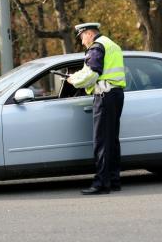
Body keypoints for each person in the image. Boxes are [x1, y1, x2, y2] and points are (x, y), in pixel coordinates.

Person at [67, 22, 126, 195]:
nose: (82, 42)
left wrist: (73, 81)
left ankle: (101, 183)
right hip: (116, 95)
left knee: (101, 141)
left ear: (89, 34)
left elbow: (92, 73)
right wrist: (75, 76)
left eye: (82, 37)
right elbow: (92, 70)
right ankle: (114, 180)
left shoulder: (96, 47)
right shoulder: (112, 44)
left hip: (104, 96)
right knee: (112, 140)